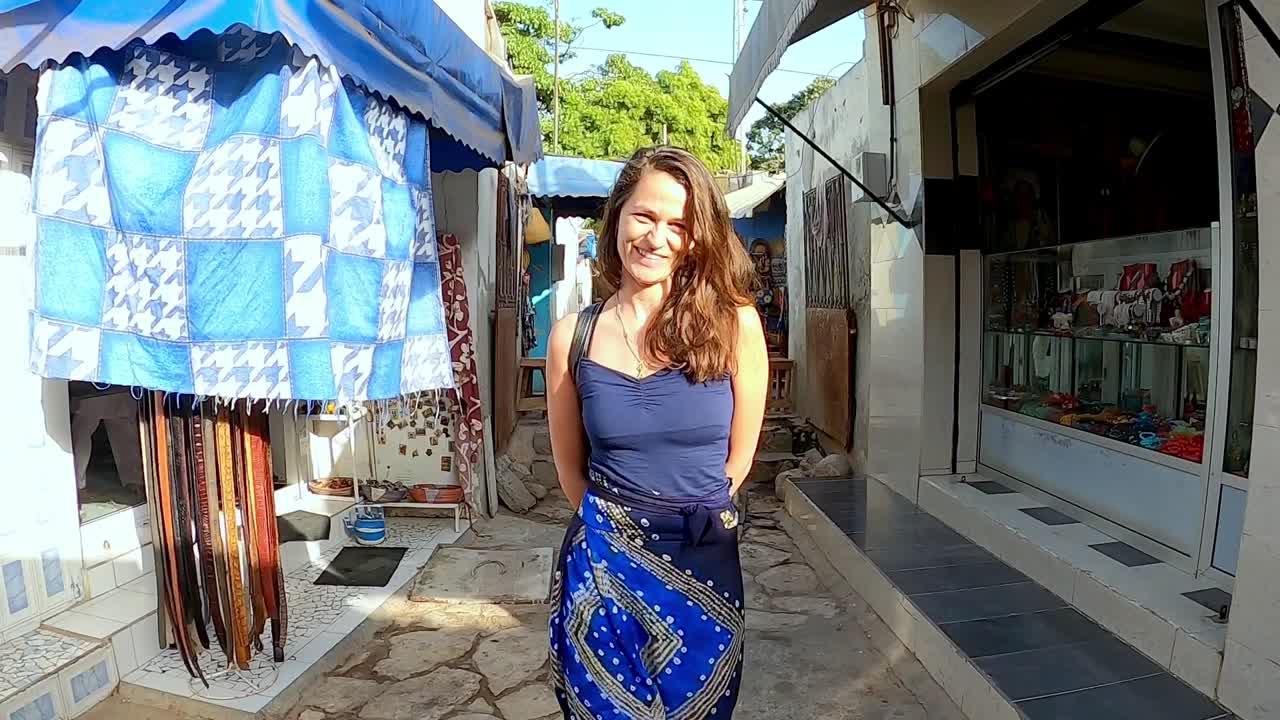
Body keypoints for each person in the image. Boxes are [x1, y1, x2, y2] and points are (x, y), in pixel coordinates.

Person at [545, 146, 768, 719]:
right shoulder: (572, 337)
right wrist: (617, 533)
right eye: (644, 216)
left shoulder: (734, 323)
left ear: (697, 238)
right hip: (599, 569)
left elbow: (738, 459)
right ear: (617, 214)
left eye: (679, 225)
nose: (657, 238)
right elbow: (571, 470)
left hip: (703, 563)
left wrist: (678, 519)